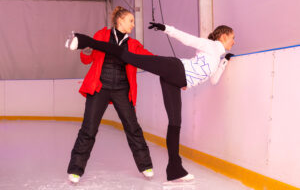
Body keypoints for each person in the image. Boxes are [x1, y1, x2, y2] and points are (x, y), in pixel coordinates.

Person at [65, 22, 235, 182]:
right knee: (128, 56)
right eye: (232, 37)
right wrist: (166, 28)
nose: (234, 41)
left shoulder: (217, 57)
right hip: (174, 68)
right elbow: (187, 38)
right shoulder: (211, 46)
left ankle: (175, 169)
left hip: (176, 81)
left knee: (175, 123)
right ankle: (83, 40)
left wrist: (225, 61)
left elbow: (214, 80)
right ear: (224, 37)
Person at [66, 6, 154, 184]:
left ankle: (145, 165)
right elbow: (86, 59)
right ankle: (75, 169)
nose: (133, 25)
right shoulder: (102, 35)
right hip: (100, 87)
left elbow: (150, 59)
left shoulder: (133, 44)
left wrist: (171, 69)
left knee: (133, 127)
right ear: (120, 20)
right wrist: (86, 49)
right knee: (89, 128)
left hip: (122, 89)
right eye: (131, 21)